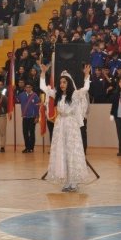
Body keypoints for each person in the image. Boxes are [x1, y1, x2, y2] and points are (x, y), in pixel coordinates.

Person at [40, 64, 91, 192]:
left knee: (71, 152)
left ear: (68, 83)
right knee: (62, 152)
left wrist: (86, 75)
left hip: (71, 125)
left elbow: (86, 88)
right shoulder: (56, 94)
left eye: (64, 82)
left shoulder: (74, 95)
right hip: (60, 125)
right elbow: (42, 87)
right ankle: (67, 180)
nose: (62, 84)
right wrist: (43, 73)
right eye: (60, 82)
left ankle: (73, 181)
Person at [17, 83, 40, 153]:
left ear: (31, 88)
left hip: (32, 117)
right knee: (25, 132)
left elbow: (37, 107)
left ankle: (31, 148)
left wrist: (37, 116)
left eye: (29, 87)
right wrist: (12, 90)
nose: (28, 88)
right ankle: (27, 147)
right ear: (25, 88)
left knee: (32, 133)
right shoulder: (21, 95)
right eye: (26, 87)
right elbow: (15, 99)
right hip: (25, 117)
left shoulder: (35, 96)